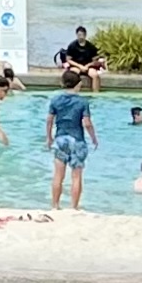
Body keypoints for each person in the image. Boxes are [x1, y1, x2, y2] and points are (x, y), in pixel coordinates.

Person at [46, 63, 98, 210]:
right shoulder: (82, 102)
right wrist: (93, 138)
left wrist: (49, 137)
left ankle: (55, 205)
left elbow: (50, 120)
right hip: (77, 140)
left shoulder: (55, 100)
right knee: (76, 176)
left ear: (62, 83)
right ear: (79, 84)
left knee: (58, 175)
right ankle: (74, 207)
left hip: (60, 139)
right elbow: (86, 123)